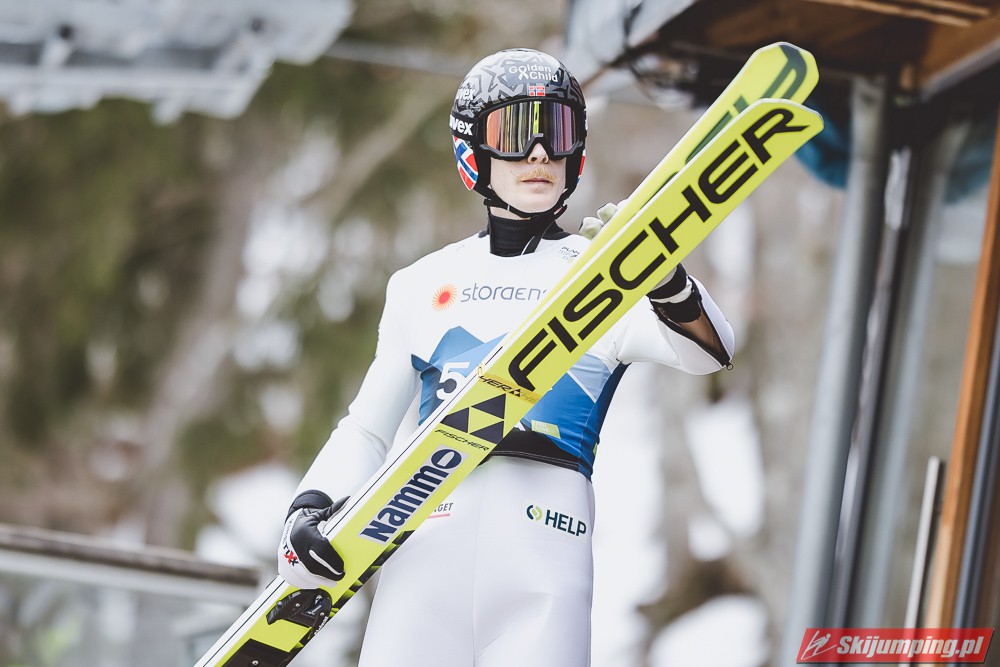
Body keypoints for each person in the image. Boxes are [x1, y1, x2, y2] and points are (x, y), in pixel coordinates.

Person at [277, 48, 734, 666]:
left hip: (546, 550)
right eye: (517, 133)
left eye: (558, 133)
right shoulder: (421, 282)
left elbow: (710, 353)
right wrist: (309, 505)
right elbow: (366, 427)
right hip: (424, 547)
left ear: (578, 152)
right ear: (473, 150)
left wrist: (665, 280)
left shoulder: (606, 274)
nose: (540, 153)